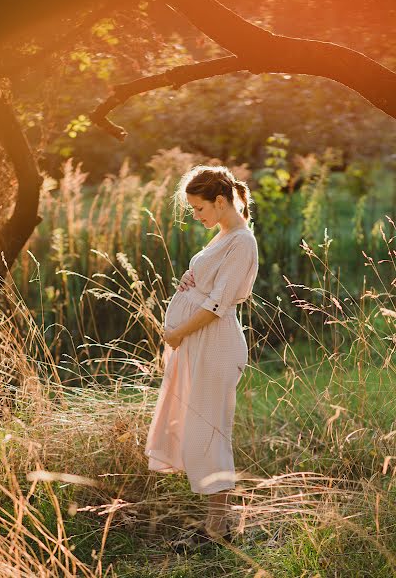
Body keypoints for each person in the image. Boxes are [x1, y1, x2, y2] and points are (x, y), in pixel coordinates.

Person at [144, 165, 259, 543]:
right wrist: (189, 284)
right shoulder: (224, 234)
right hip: (199, 343)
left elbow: (217, 305)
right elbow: (208, 288)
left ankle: (216, 530)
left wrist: (177, 331)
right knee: (197, 431)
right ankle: (215, 526)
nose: (196, 216)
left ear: (221, 201)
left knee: (209, 434)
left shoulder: (241, 240)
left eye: (198, 208)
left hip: (215, 344)